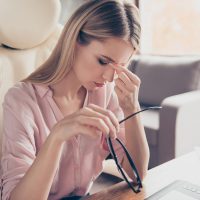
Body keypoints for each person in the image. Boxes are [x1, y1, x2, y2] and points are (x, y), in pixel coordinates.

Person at [1, 0, 150, 199]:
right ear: (74, 41)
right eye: (103, 61)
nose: (109, 78)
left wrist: (132, 108)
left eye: (120, 67)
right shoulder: (21, 100)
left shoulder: (105, 91)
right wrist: (57, 137)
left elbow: (136, 174)